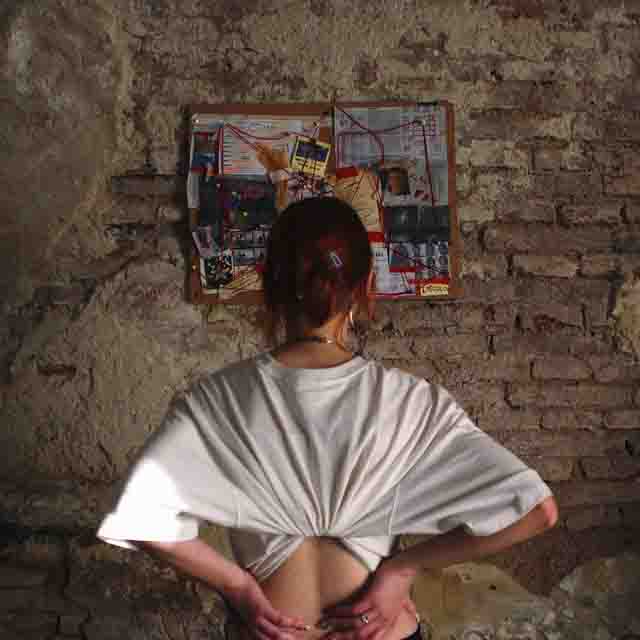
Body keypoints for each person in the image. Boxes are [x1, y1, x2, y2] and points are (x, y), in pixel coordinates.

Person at [97, 198, 558, 640]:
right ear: (365, 287)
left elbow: (140, 516)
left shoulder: (217, 399)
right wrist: (403, 568)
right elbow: (536, 510)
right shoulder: (411, 401)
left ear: (268, 285)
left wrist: (237, 587)